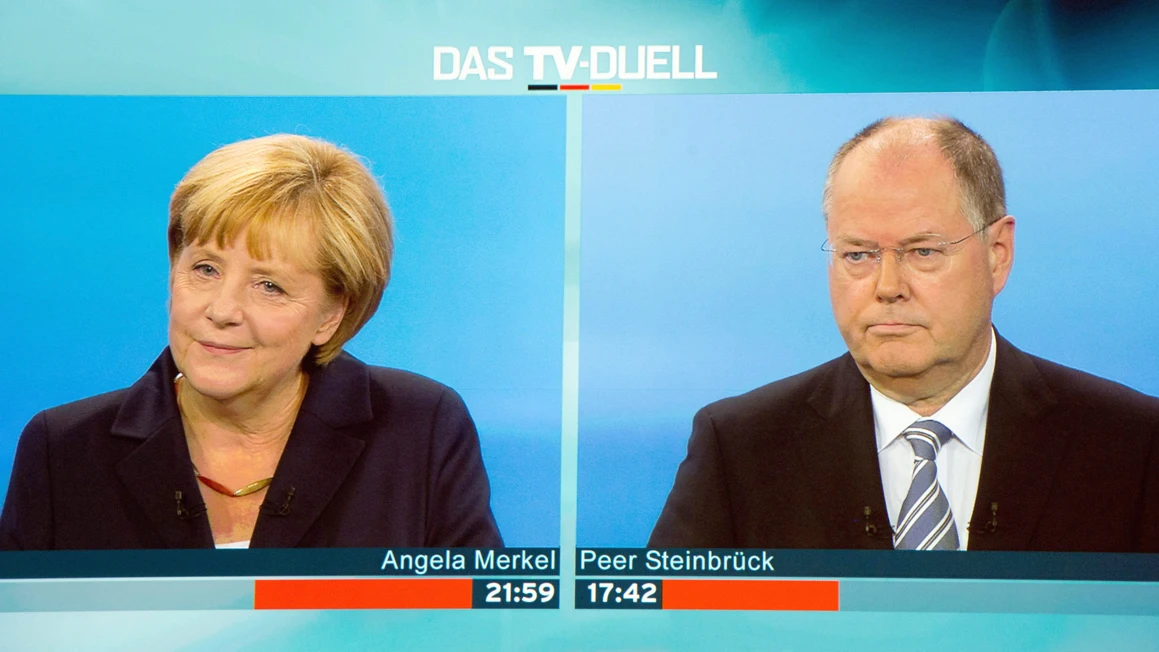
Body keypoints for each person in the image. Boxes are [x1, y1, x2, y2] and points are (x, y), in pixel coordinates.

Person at [650, 116, 1159, 552]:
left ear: (997, 254)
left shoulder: (1131, 445)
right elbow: (662, 635)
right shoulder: (739, 448)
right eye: (857, 255)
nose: (887, 287)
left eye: (923, 251)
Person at [0, 134, 503, 549]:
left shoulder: (420, 429)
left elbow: (482, 629)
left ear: (332, 313)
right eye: (204, 269)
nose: (221, 310)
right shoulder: (62, 451)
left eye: (269, 286)